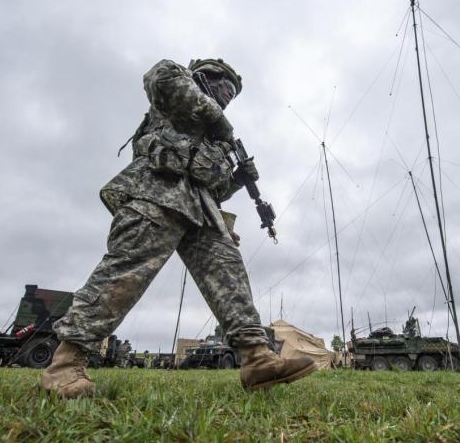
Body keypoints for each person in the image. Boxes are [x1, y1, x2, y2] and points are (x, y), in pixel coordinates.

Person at [40, 58, 316, 398]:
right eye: (223, 88)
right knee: (124, 275)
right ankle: (65, 366)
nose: (227, 97)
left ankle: (257, 359)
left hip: (201, 210)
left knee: (231, 280)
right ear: (206, 78)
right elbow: (159, 78)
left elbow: (212, 186)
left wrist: (238, 180)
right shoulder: (178, 85)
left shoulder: (215, 137)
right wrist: (218, 121)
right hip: (155, 195)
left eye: (232, 94)